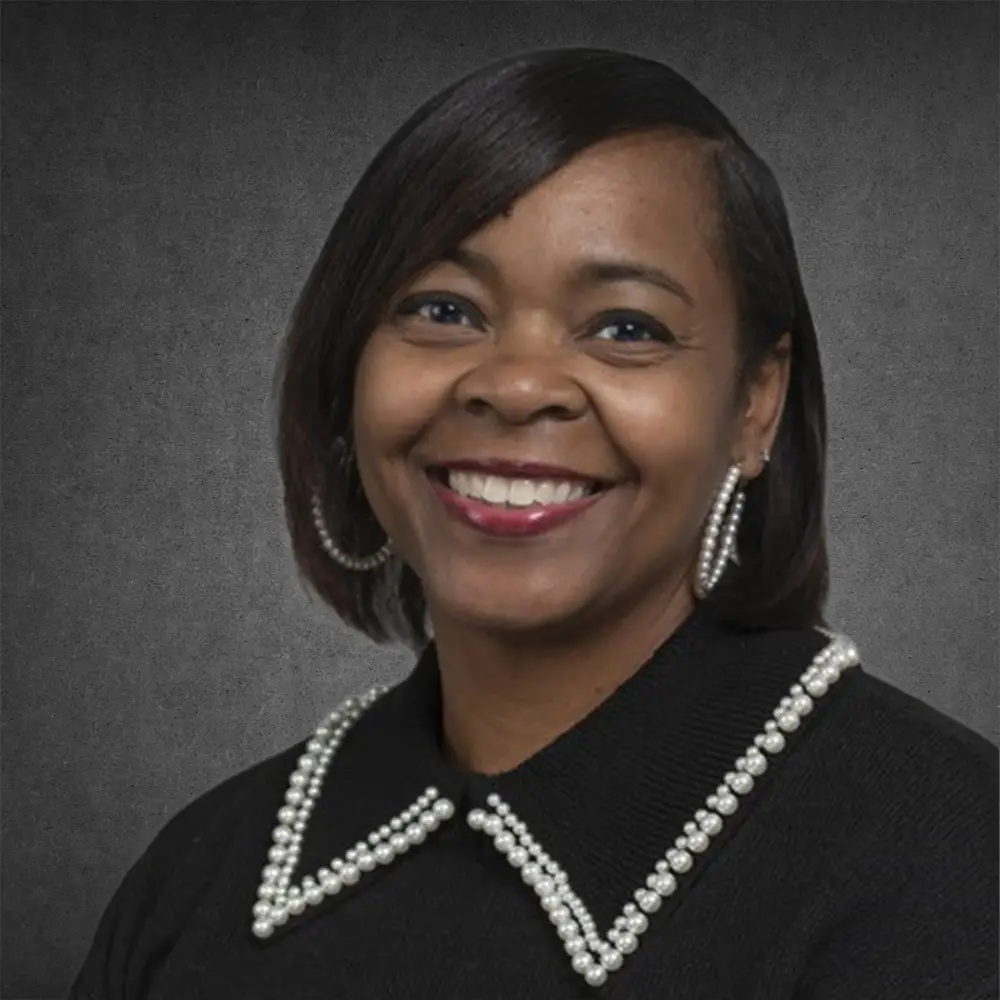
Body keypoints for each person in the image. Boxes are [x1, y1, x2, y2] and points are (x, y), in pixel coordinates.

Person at [71, 47, 998, 999]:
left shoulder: (949, 860)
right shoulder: (202, 878)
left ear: (756, 404)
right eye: (443, 309)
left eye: (626, 328)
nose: (515, 386)